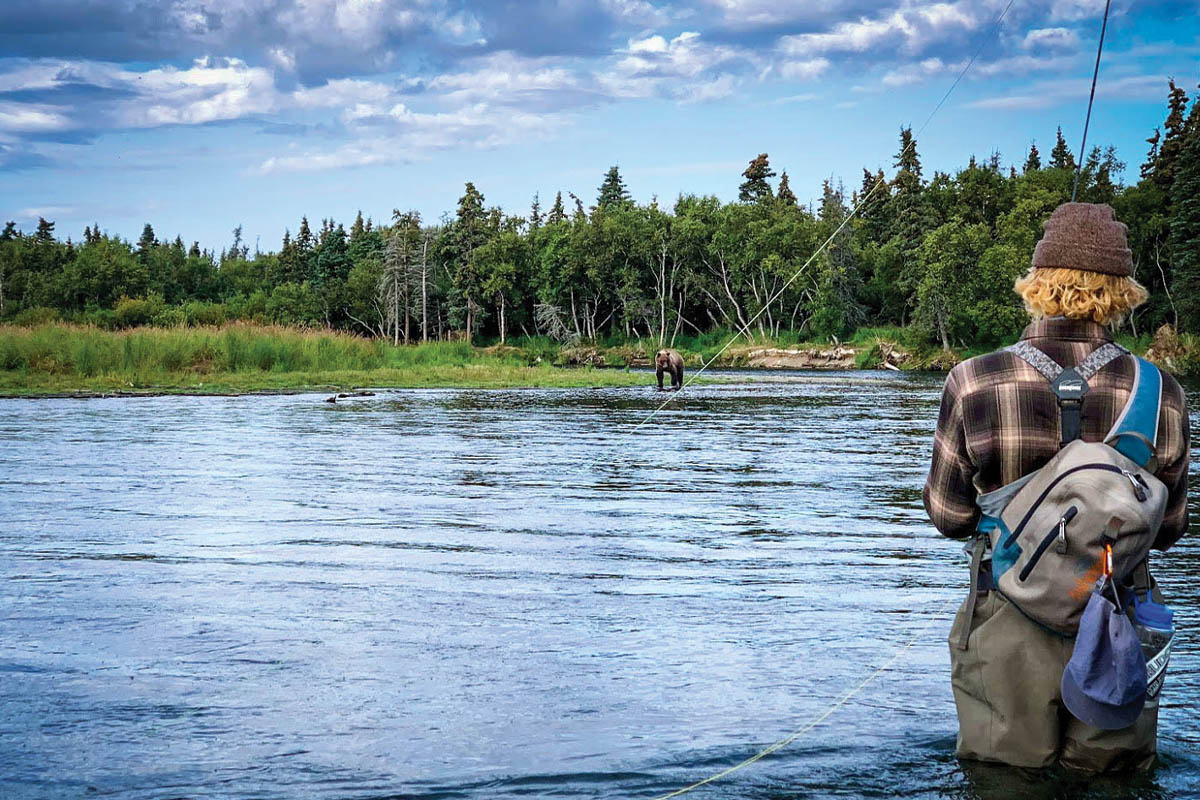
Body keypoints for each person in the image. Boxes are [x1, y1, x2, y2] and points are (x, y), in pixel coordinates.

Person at [922, 202, 1191, 772]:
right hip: (1120, 614)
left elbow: (947, 515)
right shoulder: (1161, 389)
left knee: (1004, 779)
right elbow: (1168, 528)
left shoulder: (972, 380)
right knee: (1115, 783)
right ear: (1122, 291)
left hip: (1008, 612)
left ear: (1036, 284)